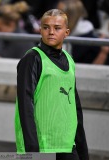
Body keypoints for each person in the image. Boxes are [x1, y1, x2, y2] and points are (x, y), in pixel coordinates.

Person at [14, 9, 89, 160]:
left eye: (57, 28)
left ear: (67, 32)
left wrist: (83, 149)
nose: (51, 32)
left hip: (67, 144)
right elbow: (25, 104)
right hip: (41, 147)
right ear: (40, 30)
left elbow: (75, 105)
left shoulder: (69, 60)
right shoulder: (32, 59)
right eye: (46, 27)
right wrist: (33, 150)